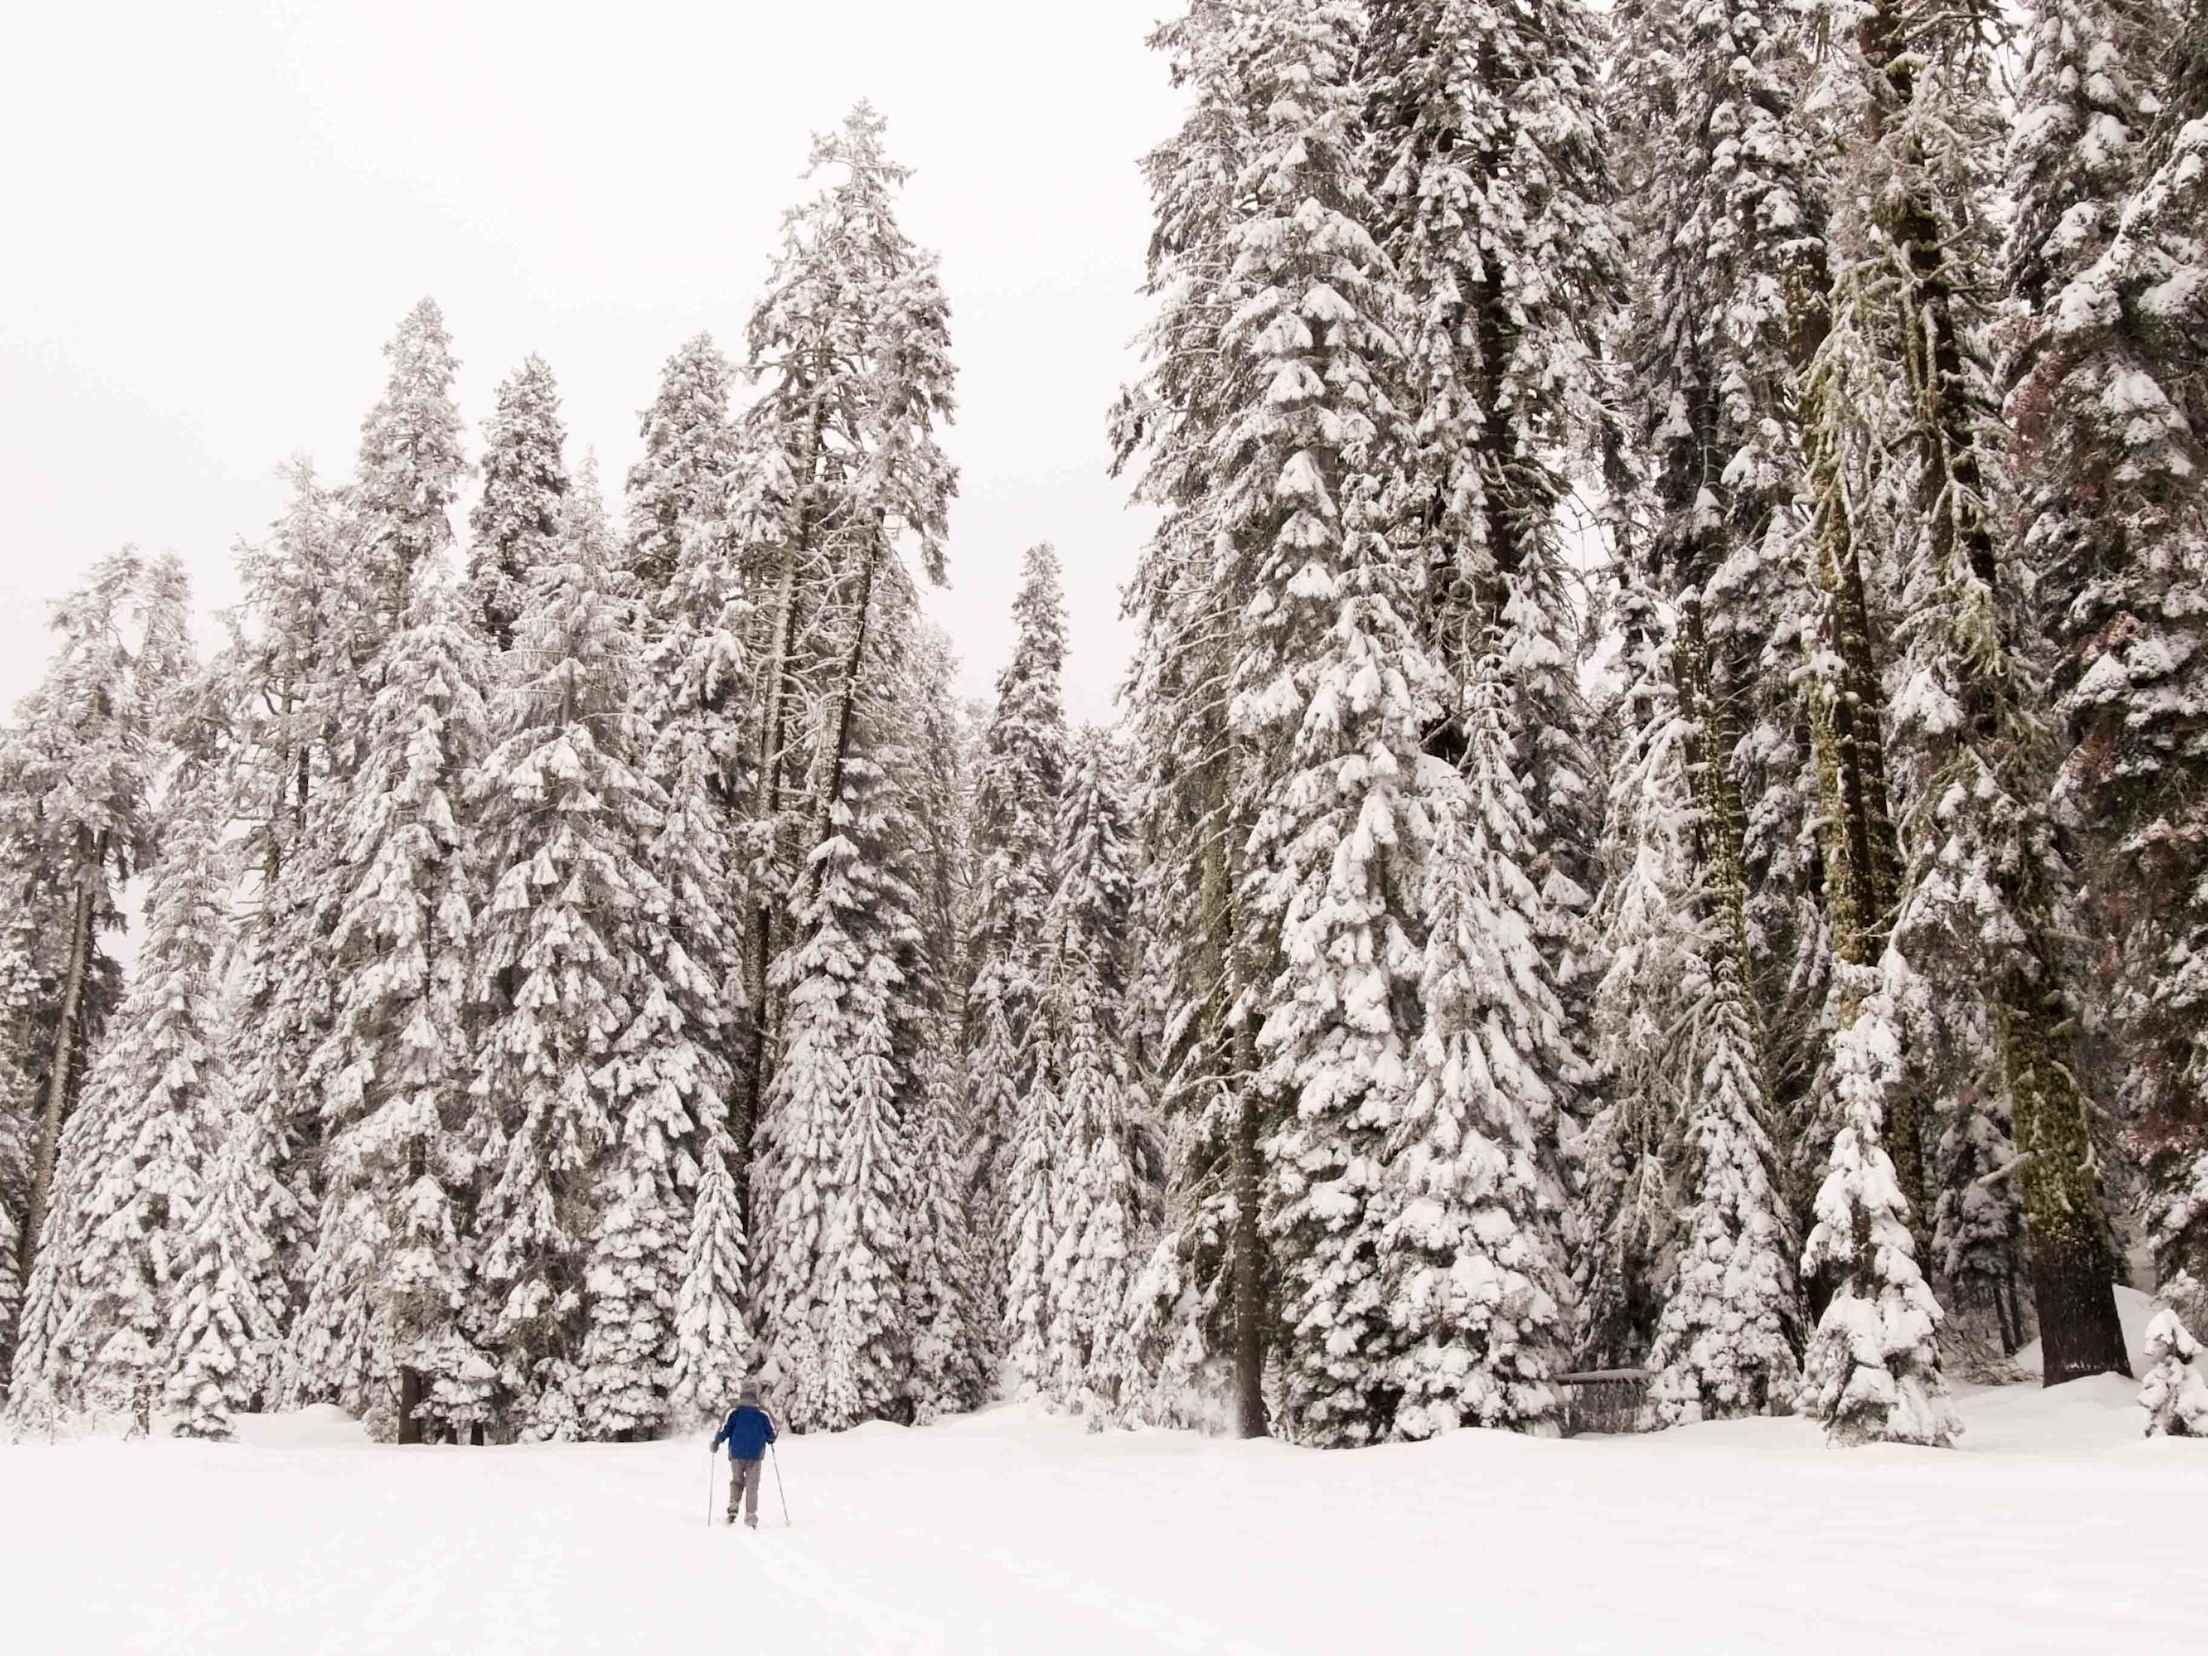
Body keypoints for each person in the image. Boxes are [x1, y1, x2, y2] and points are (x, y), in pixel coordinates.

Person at [710, 1384, 778, 1529]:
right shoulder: (762, 1415)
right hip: (755, 1455)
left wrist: (716, 1442)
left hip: (736, 1454)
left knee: (737, 1481)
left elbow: (725, 1430)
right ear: (755, 1398)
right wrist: (770, 1439)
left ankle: (733, 1506)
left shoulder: (735, 1414)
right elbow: (771, 1435)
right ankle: (750, 1515)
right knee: (752, 1486)